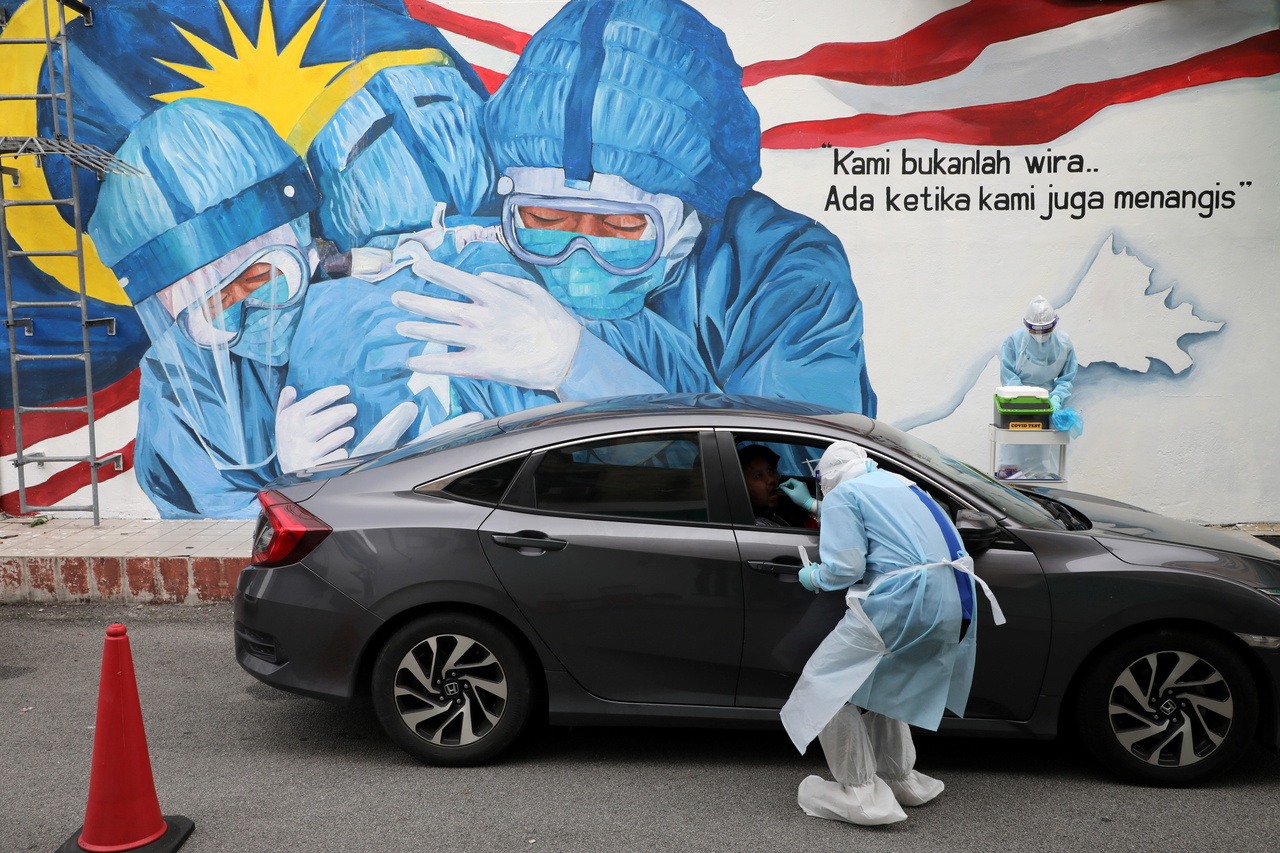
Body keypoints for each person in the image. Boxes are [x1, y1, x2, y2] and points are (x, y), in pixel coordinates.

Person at [389, 0, 877, 417]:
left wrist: (580, 366)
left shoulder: (784, 275)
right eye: (545, 220)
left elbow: (792, 476)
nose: (577, 259)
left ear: (692, 216)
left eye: (620, 225)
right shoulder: (483, 255)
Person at [89, 99, 416, 517]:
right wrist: (293, 488)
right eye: (214, 308)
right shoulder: (176, 382)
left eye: (261, 279)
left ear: (300, 233)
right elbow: (204, 524)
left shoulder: (390, 289)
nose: (245, 316)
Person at [780, 442, 1003, 825]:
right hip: (952, 601)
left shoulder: (843, 494)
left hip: (900, 603)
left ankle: (861, 795)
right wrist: (814, 507)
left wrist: (813, 577)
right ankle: (902, 780)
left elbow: (846, 567)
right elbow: (885, 527)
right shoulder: (901, 483)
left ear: (825, 477)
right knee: (884, 684)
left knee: (826, 686)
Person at [998, 295, 1079, 478]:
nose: (1041, 335)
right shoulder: (1013, 342)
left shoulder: (1064, 343)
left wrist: (1056, 397)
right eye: (1036, 331)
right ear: (1027, 326)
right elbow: (1008, 375)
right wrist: (1024, 398)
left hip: (1049, 406)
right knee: (1014, 463)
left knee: (1046, 462)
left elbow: (1067, 377)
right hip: (1017, 407)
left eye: (1046, 330)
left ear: (1055, 324)